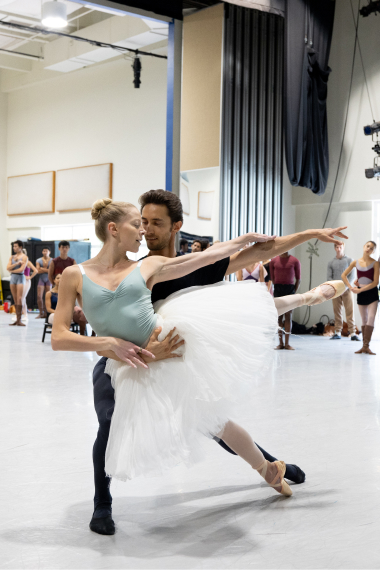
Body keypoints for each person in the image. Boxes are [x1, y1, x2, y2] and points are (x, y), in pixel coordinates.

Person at [52, 193, 347, 536]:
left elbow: (251, 251)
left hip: (171, 347)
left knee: (211, 417)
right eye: (141, 222)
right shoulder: (122, 267)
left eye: (154, 223)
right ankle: (102, 503)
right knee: (109, 422)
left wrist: (307, 234)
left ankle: (267, 465)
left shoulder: (158, 266)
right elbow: (77, 326)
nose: (146, 230)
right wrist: (110, 341)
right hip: (121, 358)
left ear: (177, 226)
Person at [342, 240, 379, 355]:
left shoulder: (376, 263)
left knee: (371, 318)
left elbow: (375, 283)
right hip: (361, 293)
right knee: (364, 319)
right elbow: (343, 275)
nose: (369, 249)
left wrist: (359, 289)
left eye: (372, 248)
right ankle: (364, 346)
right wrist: (350, 287)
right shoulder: (355, 262)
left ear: (373, 252)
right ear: (364, 247)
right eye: (368, 246)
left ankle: (366, 346)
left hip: (372, 293)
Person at [327, 243, 359, 341]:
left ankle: (353, 333)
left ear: (343, 247)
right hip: (335, 290)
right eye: (337, 247)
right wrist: (335, 288)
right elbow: (329, 277)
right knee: (337, 311)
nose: (338, 249)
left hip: (347, 289)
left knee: (350, 311)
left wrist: (345, 288)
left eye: (340, 247)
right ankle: (337, 333)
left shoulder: (350, 260)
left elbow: (352, 275)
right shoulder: (331, 262)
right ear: (334, 248)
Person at [270, 252, 301, 350]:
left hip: (290, 289)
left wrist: (293, 293)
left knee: (288, 316)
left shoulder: (295, 261)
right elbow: (272, 278)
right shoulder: (273, 261)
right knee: (279, 317)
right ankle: (280, 343)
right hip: (278, 288)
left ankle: (287, 343)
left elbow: (298, 279)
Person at [6, 240, 28, 326]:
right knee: (15, 299)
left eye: (15, 246)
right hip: (13, 278)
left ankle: (20, 320)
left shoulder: (24, 257)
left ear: (20, 247)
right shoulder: (12, 257)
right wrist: (17, 264)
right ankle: (17, 319)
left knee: (19, 298)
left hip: (20, 277)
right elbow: (7, 267)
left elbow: (21, 269)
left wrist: (12, 269)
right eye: (13, 246)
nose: (14, 248)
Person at [20, 251, 38, 323]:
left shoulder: (28, 262)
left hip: (26, 281)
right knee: (19, 298)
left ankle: (25, 315)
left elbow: (36, 270)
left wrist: (30, 277)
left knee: (23, 297)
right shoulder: (18, 262)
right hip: (20, 280)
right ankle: (20, 314)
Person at [36, 248, 52, 318]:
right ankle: (41, 313)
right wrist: (47, 270)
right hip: (41, 279)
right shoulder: (38, 260)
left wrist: (42, 268)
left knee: (48, 296)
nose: (45, 252)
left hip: (48, 279)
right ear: (42, 252)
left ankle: (47, 313)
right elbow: (37, 271)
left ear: (49, 252)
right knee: (39, 296)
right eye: (44, 251)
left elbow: (51, 271)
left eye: (46, 251)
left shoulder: (52, 260)